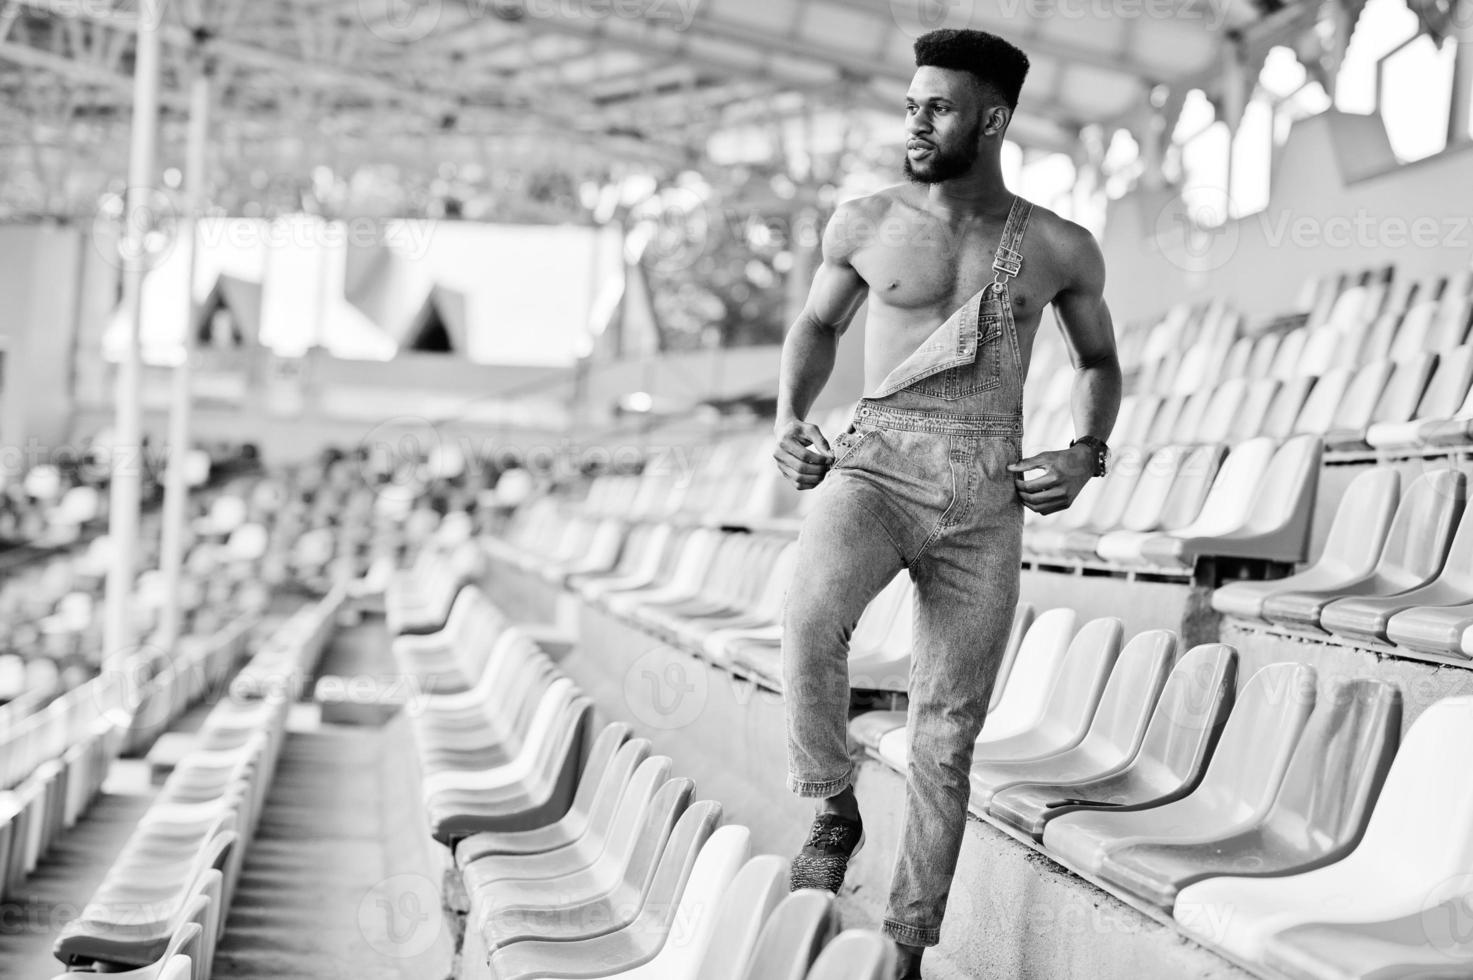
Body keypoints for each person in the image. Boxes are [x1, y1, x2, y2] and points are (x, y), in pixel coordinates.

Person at [771, 28, 1122, 979]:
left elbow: (1097, 363)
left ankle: (904, 952)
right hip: (873, 464)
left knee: (947, 734)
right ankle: (832, 801)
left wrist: (1085, 454)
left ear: (993, 120)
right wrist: (789, 416)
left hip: (986, 491)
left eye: (938, 107)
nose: (916, 122)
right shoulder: (864, 220)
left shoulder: (1056, 244)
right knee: (806, 617)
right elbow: (815, 324)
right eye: (911, 104)